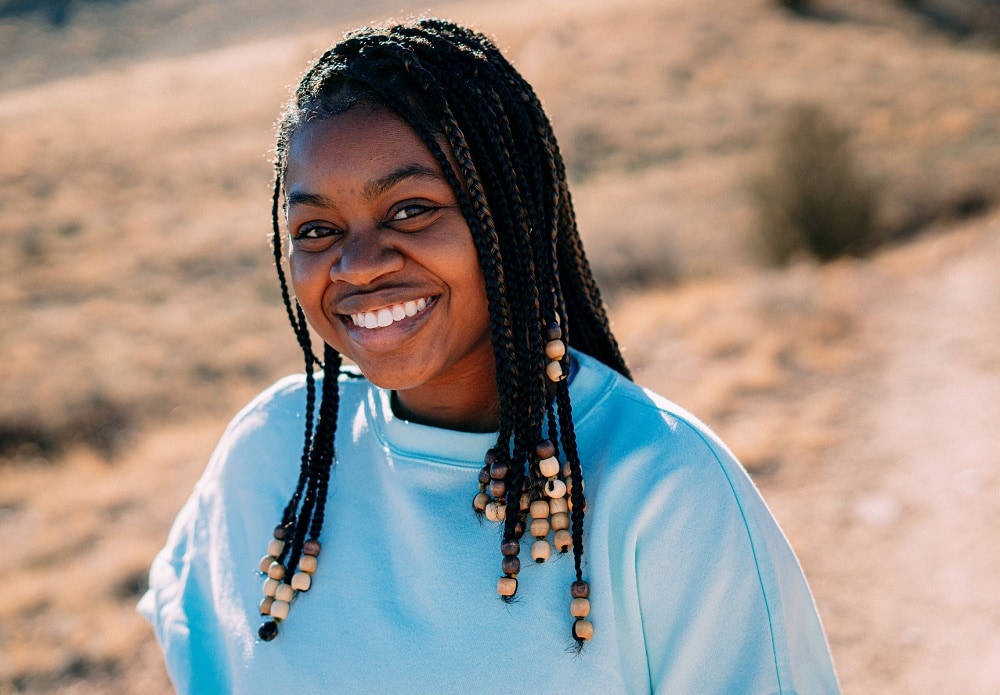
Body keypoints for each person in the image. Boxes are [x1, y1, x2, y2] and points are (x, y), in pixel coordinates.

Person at [139, 19, 840, 694]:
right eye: (317, 228)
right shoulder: (270, 457)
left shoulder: (659, 485)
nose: (356, 265)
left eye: (411, 210)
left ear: (510, 215)